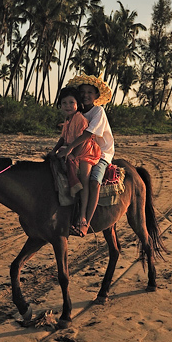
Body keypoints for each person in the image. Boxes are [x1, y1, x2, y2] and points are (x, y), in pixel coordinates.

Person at [63, 74, 115, 237]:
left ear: (96, 96)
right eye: (83, 92)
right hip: (80, 150)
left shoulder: (98, 111)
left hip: (100, 153)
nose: (86, 95)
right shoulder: (75, 112)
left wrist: (69, 149)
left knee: (93, 182)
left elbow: (87, 134)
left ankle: (85, 220)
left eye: (90, 92)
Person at [50, 87, 102, 237]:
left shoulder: (79, 118)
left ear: (77, 104)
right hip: (73, 150)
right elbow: (63, 138)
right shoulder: (68, 120)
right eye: (64, 103)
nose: (67, 105)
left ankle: (83, 216)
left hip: (86, 151)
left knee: (85, 179)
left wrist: (73, 155)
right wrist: (54, 150)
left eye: (71, 102)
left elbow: (83, 140)